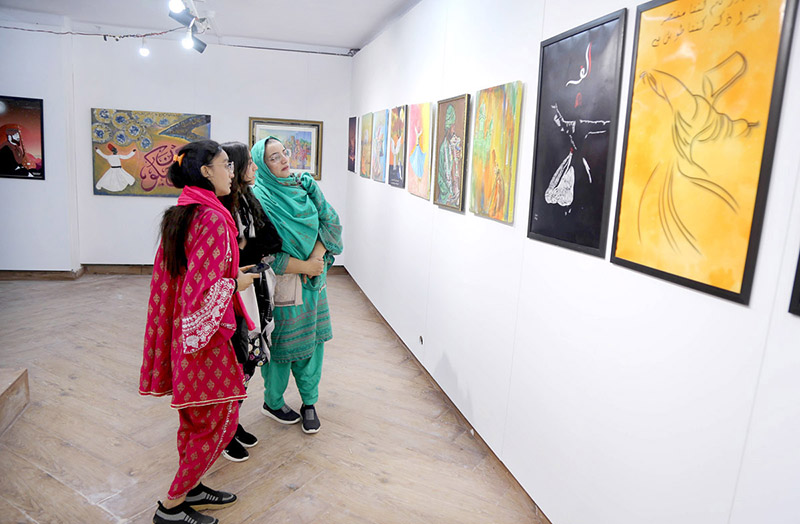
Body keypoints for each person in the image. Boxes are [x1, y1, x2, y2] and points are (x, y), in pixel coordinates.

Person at [139, 139, 259, 524]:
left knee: (195, 422)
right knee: (217, 421)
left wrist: (228, 276)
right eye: (226, 164)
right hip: (205, 339)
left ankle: (192, 487)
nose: (231, 172)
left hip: (190, 337)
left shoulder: (188, 209)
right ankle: (171, 506)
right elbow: (199, 293)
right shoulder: (210, 218)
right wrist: (234, 284)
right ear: (206, 171)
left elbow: (193, 278)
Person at [251, 136, 343, 434]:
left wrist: (317, 257)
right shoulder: (259, 200)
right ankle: (273, 401)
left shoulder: (304, 187)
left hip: (314, 282)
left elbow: (331, 224)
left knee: (312, 346)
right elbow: (261, 253)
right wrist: (303, 266)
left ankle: (309, 402)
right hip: (284, 284)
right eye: (274, 158)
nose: (284, 160)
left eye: (284, 153)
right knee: (279, 348)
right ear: (262, 166)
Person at [218, 141, 282, 462]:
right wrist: (255, 254)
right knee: (237, 361)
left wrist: (255, 252)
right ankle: (224, 429)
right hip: (236, 296)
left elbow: (271, 240)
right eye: (250, 164)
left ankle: (232, 422)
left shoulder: (246, 199)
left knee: (250, 360)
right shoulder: (225, 208)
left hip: (253, 290)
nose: (256, 168)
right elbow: (248, 252)